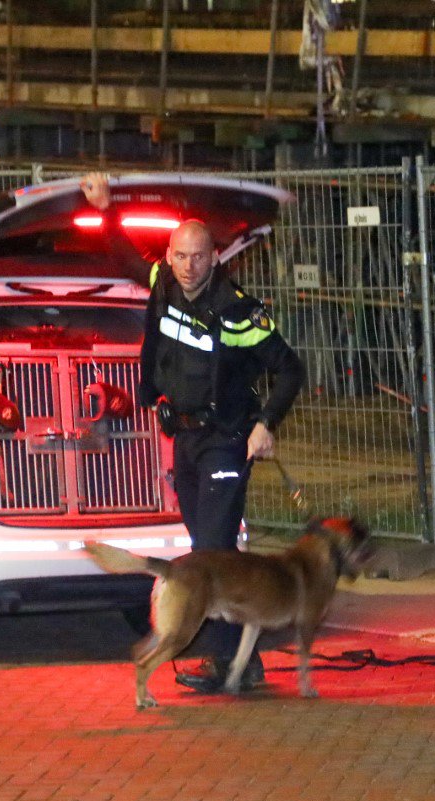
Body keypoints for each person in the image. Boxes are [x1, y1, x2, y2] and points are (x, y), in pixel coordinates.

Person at [82, 174, 306, 694]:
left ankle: (232, 665)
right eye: (181, 256)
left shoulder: (238, 310)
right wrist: (106, 208)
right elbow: (124, 258)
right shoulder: (163, 281)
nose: (189, 267)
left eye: (200, 257)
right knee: (205, 550)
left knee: (210, 551)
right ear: (171, 255)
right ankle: (241, 659)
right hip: (183, 438)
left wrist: (264, 424)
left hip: (227, 439)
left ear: (216, 257)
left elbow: (291, 369)